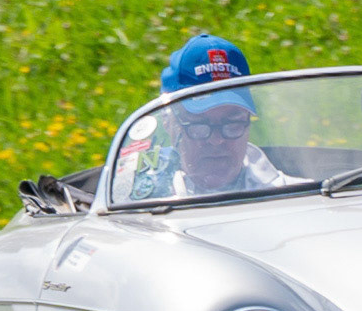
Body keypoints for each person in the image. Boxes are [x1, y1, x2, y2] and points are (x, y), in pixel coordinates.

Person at [124, 34, 295, 198]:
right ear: (168, 121)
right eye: (198, 125)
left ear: (247, 122)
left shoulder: (290, 197)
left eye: (232, 124)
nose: (216, 140)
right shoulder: (133, 195)